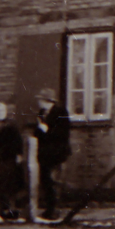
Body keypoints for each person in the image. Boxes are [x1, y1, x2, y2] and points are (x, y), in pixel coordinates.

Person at [34, 88, 71, 220]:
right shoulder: (42, 113)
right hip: (44, 154)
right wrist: (40, 131)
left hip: (56, 153)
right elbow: (37, 133)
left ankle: (55, 211)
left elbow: (62, 134)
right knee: (46, 181)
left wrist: (46, 130)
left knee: (54, 181)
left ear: (47, 100)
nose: (39, 102)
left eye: (41, 99)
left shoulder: (61, 112)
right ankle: (49, 210)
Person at [0, 102, 24, 219]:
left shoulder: (11, 125)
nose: (0, 113)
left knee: (10, 186)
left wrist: (19, 155)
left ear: (6, 112)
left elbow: (18, 142)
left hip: (8, 158)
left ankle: (12, 209)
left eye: (2, 111)